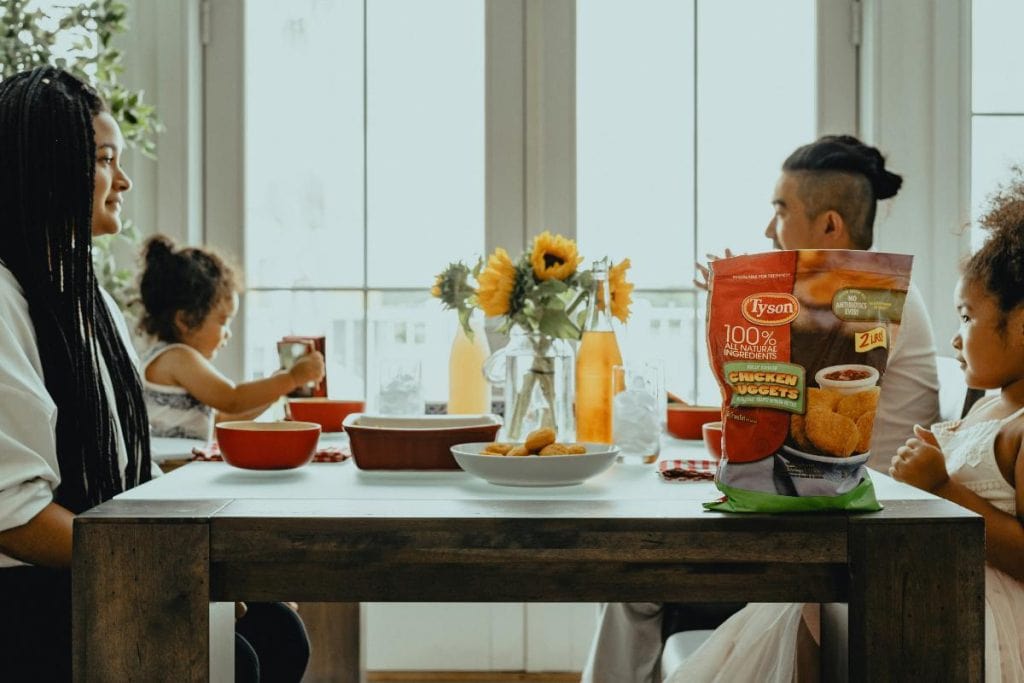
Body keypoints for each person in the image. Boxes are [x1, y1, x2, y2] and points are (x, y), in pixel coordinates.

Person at [582, 135, 941, 683]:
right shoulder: (855, 298)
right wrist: (739, 307)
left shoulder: (872, 302)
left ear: (828, 227)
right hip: (819, 511)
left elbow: (783, 404)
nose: (768, 229)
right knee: (635, 572)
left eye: (780, 211)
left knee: (633, 581)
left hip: (845, 538)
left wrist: (748, 299)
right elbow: (767, 399)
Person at [0, 66, 308, 682]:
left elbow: (123, 470)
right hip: (25, 594)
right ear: (48, 170)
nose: (124, 180)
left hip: (96, 562)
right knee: (235, 658)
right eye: (105, 160)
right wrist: (168, 569)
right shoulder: (5, 299)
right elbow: (16, 515)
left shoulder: (91, 304)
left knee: (277, 631)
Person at [666, 168, 1024, 683]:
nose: (956, 336)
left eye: (967, 317)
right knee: (803, 604)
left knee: (805, 602)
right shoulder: (991, 405)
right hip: (924, 578)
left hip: (973, 614)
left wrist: (943, 487)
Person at [137, 233, 325, 442]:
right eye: (223, 321)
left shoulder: (170, 357)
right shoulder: (177, 358)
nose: (228, 332)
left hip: (181, 466)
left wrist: (273, 390)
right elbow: (232, 399)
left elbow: (224, 419)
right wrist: (291, 379)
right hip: (169, 469)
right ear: (185, 320)